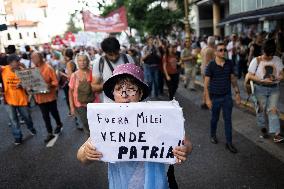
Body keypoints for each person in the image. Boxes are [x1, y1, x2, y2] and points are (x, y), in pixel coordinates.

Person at [77, 63, 192, 189]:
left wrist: (184, 149)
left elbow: (185, 142)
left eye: (131, 89)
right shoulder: (107, 120)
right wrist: (86, 152)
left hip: (159, 183)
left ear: (140, 93)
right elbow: (81, 156)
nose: (124, 94)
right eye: (119, 89)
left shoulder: (157, 116)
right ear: (113, 94)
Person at [204, 42, 241, 154]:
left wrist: (237, 93)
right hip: (215, 97)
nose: (223, 51)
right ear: (215, 52)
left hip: (227, 96)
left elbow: (233, 79)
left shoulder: (229, 63)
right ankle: (212, 134)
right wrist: (207, 99)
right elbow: (206, 84)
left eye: (224, 50)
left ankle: (229, 143)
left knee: (228, 120)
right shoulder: (211, 65)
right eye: (220, 50)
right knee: (214, 118)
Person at [246, 39, 284, 142]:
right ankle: (263, 128)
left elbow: (282, 74)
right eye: (268, 55)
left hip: (274, 89)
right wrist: (261, 80)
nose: (270, 57)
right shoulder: (256, 61)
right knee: (260, 110)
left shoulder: (277, 59)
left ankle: (276, 134)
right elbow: (249, 75)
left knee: (273, 110)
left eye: (272, 54)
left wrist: (278, 78)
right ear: (263, 51)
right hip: (260, 88)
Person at [0, 54, 36, 145]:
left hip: (21, 99)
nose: (19, 63)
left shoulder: (22, 71)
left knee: (27, 117)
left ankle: (31, 128)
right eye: (17, 61)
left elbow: (29, 86)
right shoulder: (4, 69)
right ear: (11, 63)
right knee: (13, 120)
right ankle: (18, 137)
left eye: (19, 61)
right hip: (8, 100)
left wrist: (22, 85)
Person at [31, 52, 63, 143]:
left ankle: (59, 124)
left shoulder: (48, 68)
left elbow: (55, 82)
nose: (33, 60)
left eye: (35, 57)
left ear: (41, 57)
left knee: (54, 113)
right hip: (40, 98)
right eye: (32, 58)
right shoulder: (33, 69)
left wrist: (49, 85)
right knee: (45, 116)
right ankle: (49, 133)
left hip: (50, 97)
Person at [92, 37, 134, 102]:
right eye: (110, 55)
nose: (114, 57)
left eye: (116, 54)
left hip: (129, 102)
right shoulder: (99, 63)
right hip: (109, 105)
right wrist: (110, 85)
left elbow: (137, 80)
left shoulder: (128, 59)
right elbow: (94, 87)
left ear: (119, 50)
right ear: (104, 52)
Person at [69, 53, 96, 135]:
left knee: (96, 125)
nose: (82, 62)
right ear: (77, 62)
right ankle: (90, 144)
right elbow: (70, 91)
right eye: (80, 60)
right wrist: (72, 107)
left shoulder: (93, 73)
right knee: (86, 125)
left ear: (88, 61)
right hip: (80, 104)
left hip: (94, 102)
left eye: (84, 60)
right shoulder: (74, 75)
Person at [200, 36, 215, 109]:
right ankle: (206, 103)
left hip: (202, 69)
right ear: (213, 43)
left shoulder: (203, 49)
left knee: (205, 86)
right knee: (208, 87)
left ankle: (204, 102)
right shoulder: (211, 50)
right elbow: (212, 62)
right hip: (208, 70)